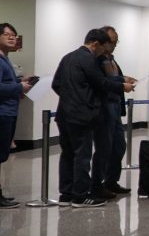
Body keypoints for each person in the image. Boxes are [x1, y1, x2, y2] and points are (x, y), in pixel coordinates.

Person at [53, 29, 135, 207]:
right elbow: (101, 83)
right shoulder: (89, 59)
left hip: (64, 113)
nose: (103, 52)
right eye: (103, 48)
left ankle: (66, 194)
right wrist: (122, 86)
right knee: (82, 155)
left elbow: (56, 84)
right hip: (82, 115)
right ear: (96, 44)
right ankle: (80, 196)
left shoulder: (68, 57)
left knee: (68, 154)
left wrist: (70, 99)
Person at [91, 26, 133, 197]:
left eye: (116, 42)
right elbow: (102, 81)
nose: (114, 45)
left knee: (119, 146)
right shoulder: (96, 60)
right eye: (111, 41)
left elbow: (112, 80)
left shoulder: (112, 60)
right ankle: (97, 184)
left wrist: (123, 80)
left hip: (115, 106)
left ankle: (111, 181)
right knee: (104, 147)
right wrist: (121, 82)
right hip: (104, 107)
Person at [0, 22, 35, 208]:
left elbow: (6, 82)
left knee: (2, 154)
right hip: (2, 112)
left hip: (10, 111)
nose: (12, 38)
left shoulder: (5, 58)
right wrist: (19, 87)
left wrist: (21, 80)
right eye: (7, 35)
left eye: (14, 35)